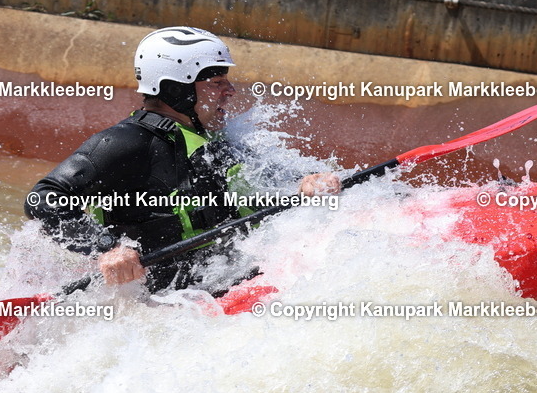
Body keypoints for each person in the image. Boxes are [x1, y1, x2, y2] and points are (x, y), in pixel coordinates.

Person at [24, 26, 339, 292]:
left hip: (226, 275)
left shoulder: (216, 137)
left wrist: (304, 180)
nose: (229, 91)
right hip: (166, 297)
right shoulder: (126, 142)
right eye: (216, 82)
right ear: (178, 89)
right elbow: (43, 198)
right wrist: (107, 249)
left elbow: (263, 177)